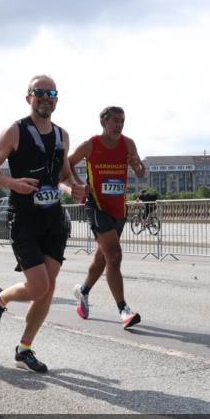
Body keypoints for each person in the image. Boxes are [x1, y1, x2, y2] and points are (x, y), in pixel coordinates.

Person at [0, 75, 85, 373]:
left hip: (54, 220)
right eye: (39, 92)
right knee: (38, 286)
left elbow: (63, 175)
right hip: (24, 218)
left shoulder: (62, 135)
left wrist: (72, 189)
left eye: (51, 92)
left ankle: (24, 348)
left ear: (56, 99)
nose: (45, 97)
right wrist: (12, 182)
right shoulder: (15, 131)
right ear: (29, 98)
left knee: (47, 290)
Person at [68, 106, 146, 330]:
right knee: (114, 257)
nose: (119, 125)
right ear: (103, 122)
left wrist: (137, 166)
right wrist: (79, 184)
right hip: (97, 206)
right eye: (115, 120)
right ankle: (124, 310)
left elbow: (141, 172)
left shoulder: (128, 144)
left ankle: (83, 291)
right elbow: (69, 162)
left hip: (118, 209)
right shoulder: (91, 144)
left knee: (102, 260)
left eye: (122, 120)